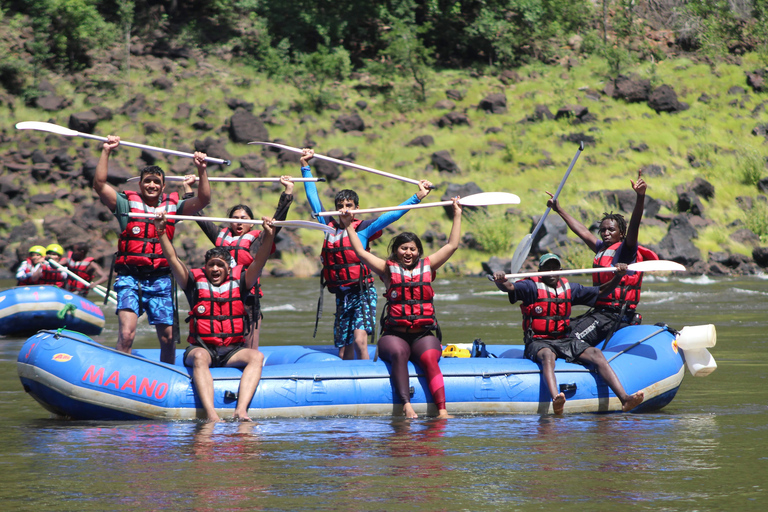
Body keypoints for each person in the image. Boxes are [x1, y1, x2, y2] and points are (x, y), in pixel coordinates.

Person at [300, 148, 433, 360]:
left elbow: (392, 214)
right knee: (344, 349)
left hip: (363, 292)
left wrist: (417, 196)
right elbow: (313, 198)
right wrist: (305, 167)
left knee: (360, 340)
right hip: (342, 295)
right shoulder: (328, 224)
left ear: (356, 208)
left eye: (348, 206)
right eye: (340, 206)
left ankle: (366, 377)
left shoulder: (363, 228)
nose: (344, 209)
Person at [337, 197, 463, 419]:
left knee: (430, 357)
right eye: (403, 248)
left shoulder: (429, 265)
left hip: (423, 333)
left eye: (413, 249)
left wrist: (457, 213)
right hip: (394, 335)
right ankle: (406, 405)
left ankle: (442, 410)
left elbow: (452, 245)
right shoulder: (387, 269)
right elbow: (360, 252)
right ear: (395, 251)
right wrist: (348, 225)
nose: (408, 253)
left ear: (418, 252)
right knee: (398, 353)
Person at [93, 135, 211, 364]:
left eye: (156, 182)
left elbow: (204, 199)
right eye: (147, 181)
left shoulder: (172, 208)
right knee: (126, 334)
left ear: (163, 186)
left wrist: (202, 169)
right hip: (130, 278)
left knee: (168, 338)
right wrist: (106, 151)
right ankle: (118, 374)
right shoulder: (125, 205)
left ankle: (167, 379)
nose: (151, 185)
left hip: (160, 279)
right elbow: (99, 185)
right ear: (140, 184)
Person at [154, 211, 275, 422]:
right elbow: (172, 259)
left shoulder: (242, 283)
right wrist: (162, 232)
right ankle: (211, 415)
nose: (216, 269)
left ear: (229, 268)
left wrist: (269, 235)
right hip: (202, 349)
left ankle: (241, 410)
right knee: (200, 357)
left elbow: (260, 259)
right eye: (212, 265)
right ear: (205, 267)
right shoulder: (192, 284)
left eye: (220, 265)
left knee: (256, 357)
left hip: (231, 352)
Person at [492, 253, 645, 414]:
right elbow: (509, 287)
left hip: (564, 340)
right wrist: (501, 281)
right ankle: (556, 399)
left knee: (595, 353)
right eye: (547, 268)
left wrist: (617, 277)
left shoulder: (570, 289)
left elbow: (600, 292)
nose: (551, 271)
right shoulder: (530, 287)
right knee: (547, 356)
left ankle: (625, 399)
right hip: (538, 341)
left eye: (554, 268)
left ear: (560, 270)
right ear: (540, 270)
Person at [546, 170, 657, 346]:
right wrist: (558, 209)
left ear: (621, 234)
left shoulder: (626, 250)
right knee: (559, 330)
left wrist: (640, 197)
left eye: (611, 230)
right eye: (603, 230)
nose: (606, 233)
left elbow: (635, 223)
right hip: (600, 311)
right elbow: (581, 231)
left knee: (572, 339)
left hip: (615, 314)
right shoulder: (601, 249)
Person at [182, 175, 295, 349]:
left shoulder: (257, 241)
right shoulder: (220, 236)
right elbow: (200, 218)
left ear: (252, 223)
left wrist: (287, 192)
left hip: (246, 296)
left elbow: (277, 223)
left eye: (244, 219)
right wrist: (189, 190)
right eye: (235, 219)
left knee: (248, 345)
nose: (239, 223)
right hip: (222, 295)